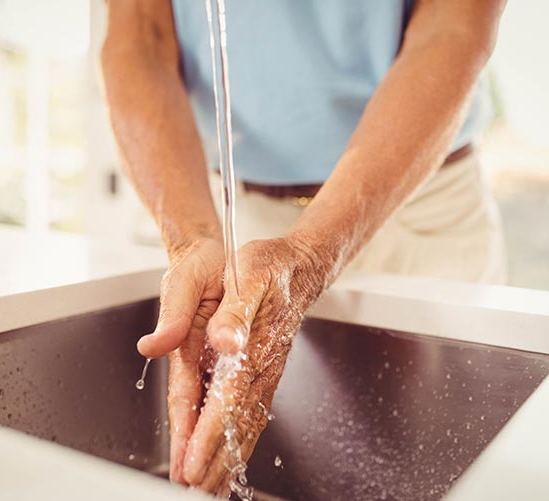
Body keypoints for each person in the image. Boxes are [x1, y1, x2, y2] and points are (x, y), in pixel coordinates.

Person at [101, 0, 507, 496]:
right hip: (245, 220)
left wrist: (311, 252)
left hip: (417, 200)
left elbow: (452, 28)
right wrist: (192, 241)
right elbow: (139, 41)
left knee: (449, 467)